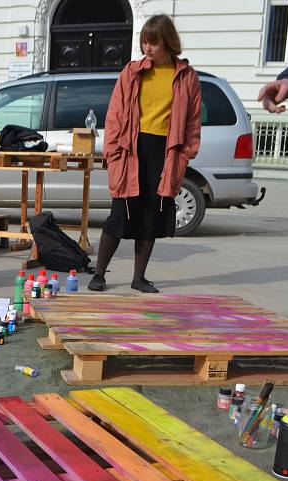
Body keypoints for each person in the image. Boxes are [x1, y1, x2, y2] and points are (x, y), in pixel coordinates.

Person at [89, 14, 201, 293]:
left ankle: (138, 278)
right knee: (120, 212)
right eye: (144, 42)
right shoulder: (132, 71)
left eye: (153, 43)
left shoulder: (187, 76)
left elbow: (193, 120)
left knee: (151, 213)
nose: (147, 48)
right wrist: (113, 149)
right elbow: (115, 112)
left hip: (165, 151)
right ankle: (99, 275)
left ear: (168, 43)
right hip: (131, 148)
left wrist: (186, 153)